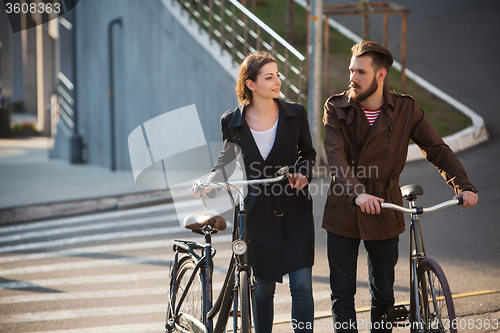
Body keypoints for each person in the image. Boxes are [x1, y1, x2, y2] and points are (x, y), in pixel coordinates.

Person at [322, 41, 478, 332]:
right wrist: (357, 193)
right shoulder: (336, 107)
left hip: (385, 205)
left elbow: (437, 149)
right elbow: (335, 156)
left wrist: (464, 185)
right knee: (342, 294)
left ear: (381, 75)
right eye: (351, 70)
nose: (352, 78)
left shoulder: (406, 109)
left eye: (361, 72)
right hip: (345, 204)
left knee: (383, 294)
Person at [193, 51, 316, 332]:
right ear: (251, 84)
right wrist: (208, 183)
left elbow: (308, 154)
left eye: (277, 75)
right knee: (262, 289)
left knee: (302, 286)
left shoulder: (295, 113)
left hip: (294, 209)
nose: (277, 82)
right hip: (255, 213)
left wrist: (303, 174)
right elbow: (226, 163)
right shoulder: (231, 121)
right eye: (269, 77)